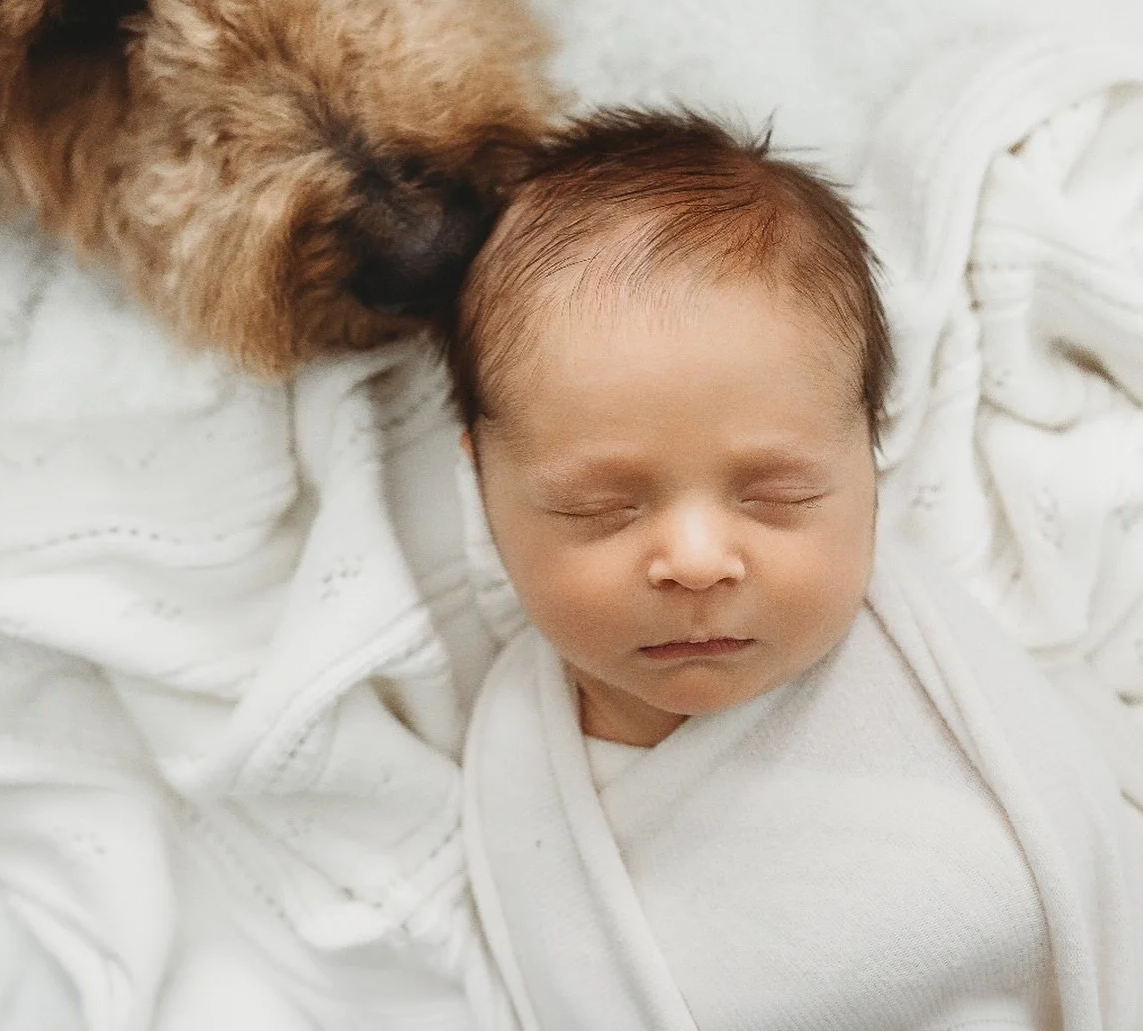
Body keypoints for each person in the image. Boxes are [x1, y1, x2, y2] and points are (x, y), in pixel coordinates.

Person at [443, 108, 1141, 1031]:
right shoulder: (512, 768)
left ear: (868, 453)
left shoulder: (947, 659)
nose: (695, 561)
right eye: (598, 508)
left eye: (776, 494)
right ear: (480, 484)